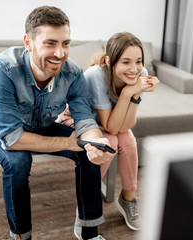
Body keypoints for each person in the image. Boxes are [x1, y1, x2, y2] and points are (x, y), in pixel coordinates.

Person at [0, 6, 112, 240]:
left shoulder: (73, 73)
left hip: (41, 126)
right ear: (28, 42)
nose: (60, 53)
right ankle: (21, 236)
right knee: (18, 162)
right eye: (50, 43)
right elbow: (12, 139)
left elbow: (84, 118)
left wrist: (93, 142)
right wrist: (73, 143)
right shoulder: (3, 69)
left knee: (88, 150)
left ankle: (88, 232)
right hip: (1, 130)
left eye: (66, 43)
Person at [59, 32, 159, 231]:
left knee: (128, 138)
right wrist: (131, 92)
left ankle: (128, 198)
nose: (134, 69)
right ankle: (88, 202)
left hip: (105, 125)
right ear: (109, 61)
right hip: (76, 121)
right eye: (126, 62)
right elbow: (111, 127)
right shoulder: (97, 75)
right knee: (110, 141)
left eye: (138, 61)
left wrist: (134, 91)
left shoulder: (140, 74)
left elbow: (125, 125)